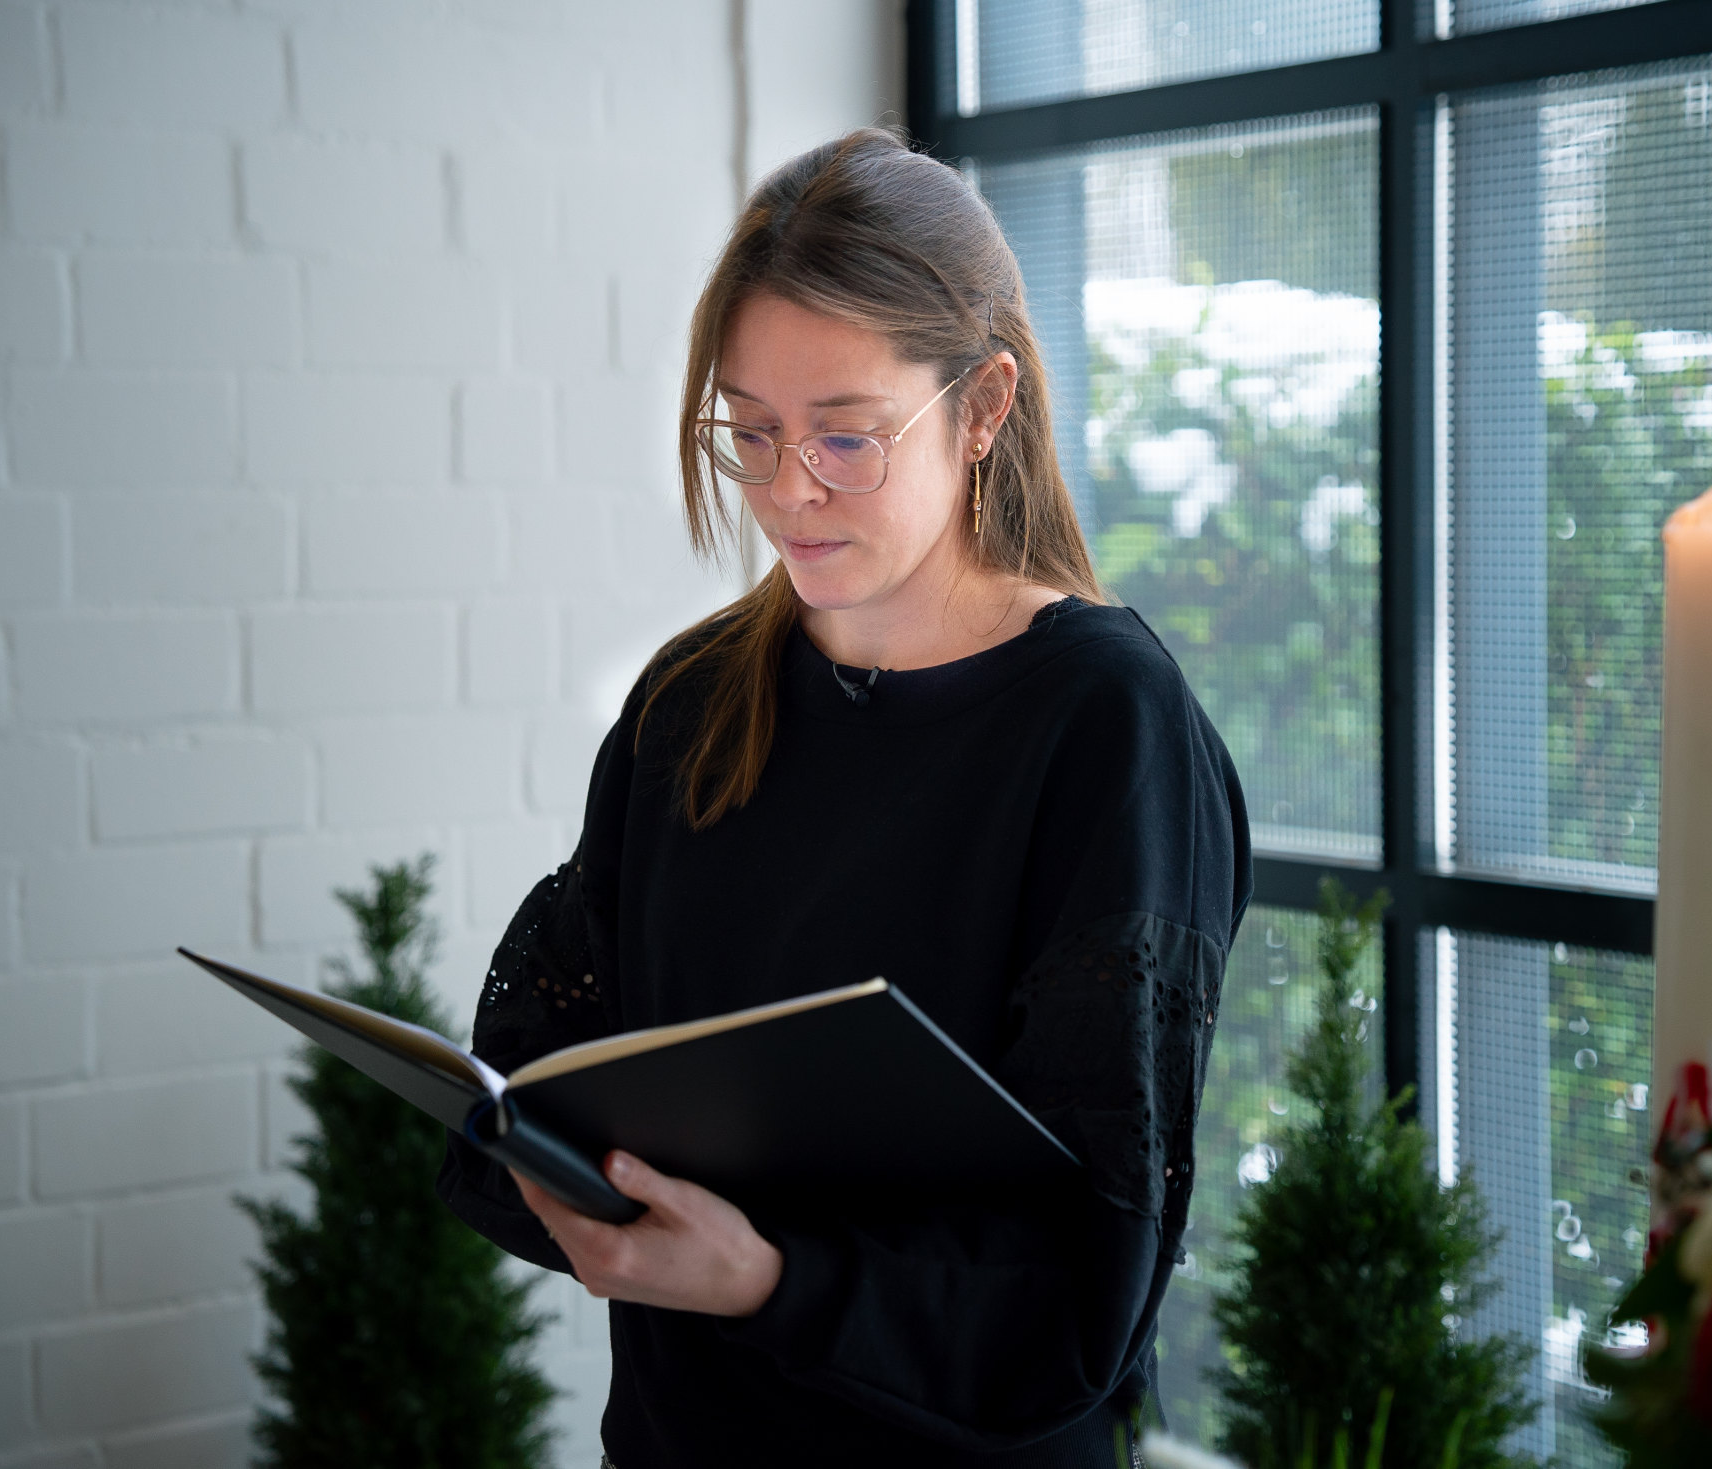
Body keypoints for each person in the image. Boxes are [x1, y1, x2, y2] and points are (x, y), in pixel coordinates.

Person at [438, 127, 1251, 1468]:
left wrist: (767, 1277)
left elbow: (1083, 1289)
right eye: (749, 431)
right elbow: (557, 1060)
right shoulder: (691, 701)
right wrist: (559, 1162)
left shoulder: (1106, 726)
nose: (785, 490)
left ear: (983, 407)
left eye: (845, 436)